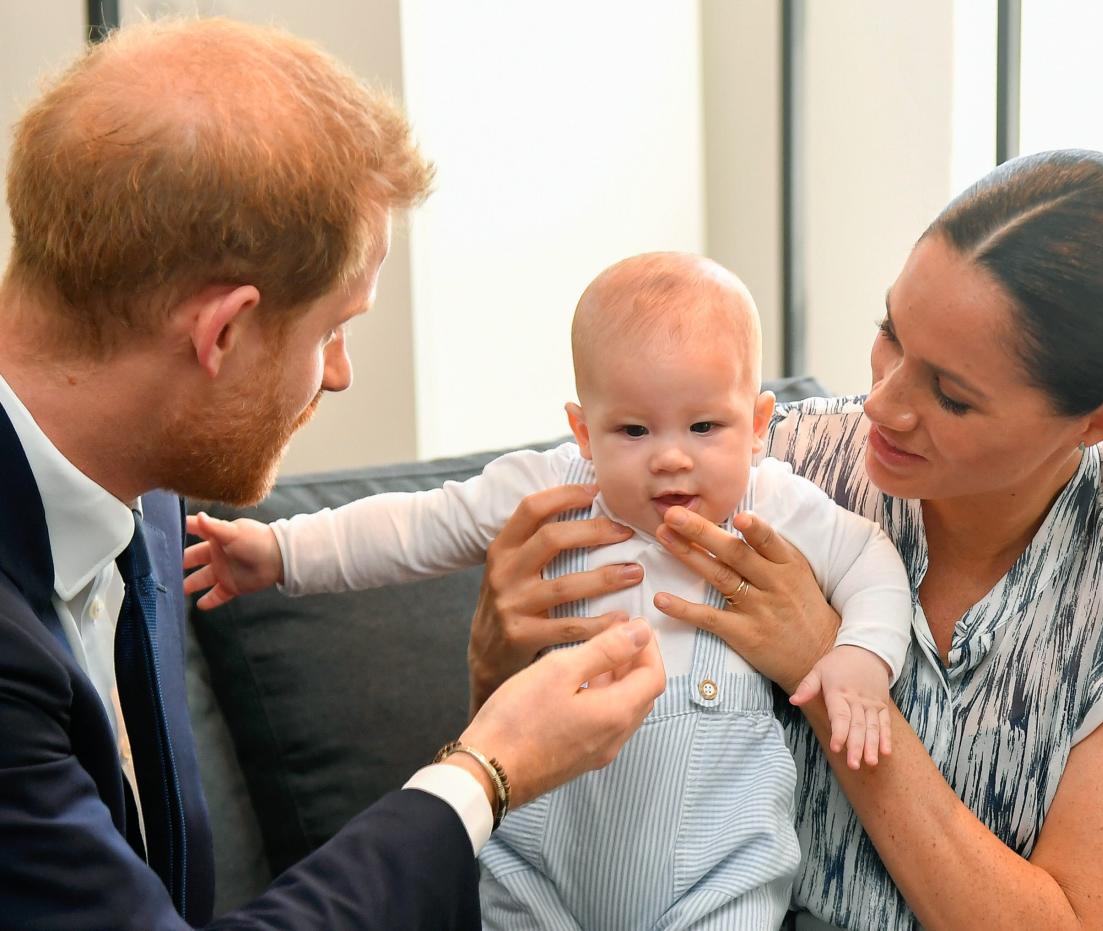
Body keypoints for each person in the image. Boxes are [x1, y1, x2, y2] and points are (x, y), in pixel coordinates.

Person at [0, 17, 664, 930]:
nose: (340, 373)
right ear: (222, 333)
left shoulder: (146, 481)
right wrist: (486, 770)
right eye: (334, 329)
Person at [469, 150, 1103, 930]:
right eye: (890, 333)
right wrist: (495, 656)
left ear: (1097, 420)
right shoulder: (768, 463)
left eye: (950, 394)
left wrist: (822, 663)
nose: (883, 403)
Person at [183, 251, 914, 930]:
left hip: (717, 875)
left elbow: (871, 562)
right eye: (632, 429)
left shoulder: (775, 503)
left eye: (703, 426)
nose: (669, 458)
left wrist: (859, 660)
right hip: (544, 867)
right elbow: (416, 526)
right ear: (583, 432)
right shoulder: (553, 487)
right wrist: (280, 552)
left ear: (756, 426)